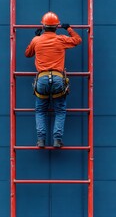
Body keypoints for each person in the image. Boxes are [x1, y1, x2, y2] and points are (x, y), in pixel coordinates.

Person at [25, 12, 82, 148]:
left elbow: (28, 54)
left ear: (43, 26)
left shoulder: (36, 41)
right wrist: (68, 28)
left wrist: (36, 37)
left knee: (40, 111)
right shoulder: (61, 39)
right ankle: (57, 140)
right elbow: (78, 40)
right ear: (57, 27)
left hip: (42, 79)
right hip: (57, 78)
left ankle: (41, 140)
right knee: (60, 110)